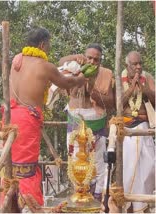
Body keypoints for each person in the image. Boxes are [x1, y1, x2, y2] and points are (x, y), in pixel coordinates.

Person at [5, 27, 86, 207]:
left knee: (14, 166)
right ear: (42, 44)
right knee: (26, 168)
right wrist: (81, 79)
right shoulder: (44, 66)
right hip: (27, 119)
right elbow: (67, 83)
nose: (49, 49)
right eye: (48, 45)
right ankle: (29, 205)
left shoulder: (16, 60)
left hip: (10, 117)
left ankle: (10, 203)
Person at [59, 43, 115, 201]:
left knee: (99, 166)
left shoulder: (105, 74)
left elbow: (110, 102)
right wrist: (74, 58)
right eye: (89, 58)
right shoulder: (75, 69)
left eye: (96, 60)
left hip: (97, 127)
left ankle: (97, 201)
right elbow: (60, 62)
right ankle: (80, 199)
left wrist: (91, 88)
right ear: (84, 57)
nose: (92, 62)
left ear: (100, 61)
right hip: (76, 124)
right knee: (76, 163)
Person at [121, 51, 155, 212]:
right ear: (127, 65)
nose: (139, 67)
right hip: (127, 128)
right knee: (128, 167)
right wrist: (131, 88)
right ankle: (129, 205)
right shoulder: (119, 78)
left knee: (148, 166)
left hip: (145, 127)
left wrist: (145, 89)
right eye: (135, 64)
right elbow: (117, 104)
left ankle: (144, 205)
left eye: (140, 63)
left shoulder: (147, 77)